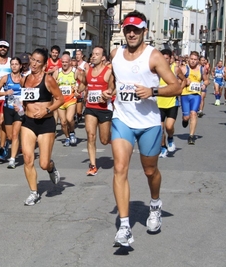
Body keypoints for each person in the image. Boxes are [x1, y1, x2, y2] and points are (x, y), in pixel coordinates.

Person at [102, 11, 181, 247]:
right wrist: (111, 91)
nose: (132, 33)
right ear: (123, 31)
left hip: (148, 124)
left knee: (150, 171)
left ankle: (155, 204)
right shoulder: (116, 54)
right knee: (119, 168)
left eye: (136, 29)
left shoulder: (154, 56)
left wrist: (153, 91)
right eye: (128, 29)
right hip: (122, 120)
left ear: (144, 31)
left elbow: (176, 86)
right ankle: (124, 227)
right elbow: (115, 80)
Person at [20, 48, 64, 206]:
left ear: (44, 64)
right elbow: (24, 100)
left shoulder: (48, 80)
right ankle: (33, 192)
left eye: (38, 61)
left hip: (46, 123)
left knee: (43, 163)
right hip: (28, 123)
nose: (34, 64)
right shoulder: (24, 79)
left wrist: (47, 110)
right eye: (33, 60)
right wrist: (20, 107)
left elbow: (60, 99)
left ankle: (51, 167)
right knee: (27, 158)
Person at [81, 46, 112, 176]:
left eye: (97, 54)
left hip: (104, 108)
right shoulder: (87, 71)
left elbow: (113, 87)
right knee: (90, 135)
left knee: (104, 140)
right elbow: (83, 84)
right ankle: (93, 165)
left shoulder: (109, 71)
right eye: (92, 54)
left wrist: (108, 92)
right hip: (91, 107)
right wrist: (78, 89)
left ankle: (114, 138)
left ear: (103, 57)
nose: (93, 56)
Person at [0, 57, 24, 169]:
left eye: (16, 64)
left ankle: (12, 159)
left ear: (20, 66)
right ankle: (7, 145)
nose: (14, 66)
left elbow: (30, 93)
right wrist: (5, 92)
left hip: (19, 109)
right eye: (12, 64)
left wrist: (23, 102)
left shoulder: (25, 79)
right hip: (8, 108)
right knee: (10, 136)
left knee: (16, 134)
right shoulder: (5, 78)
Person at [157, 49, 186, 158]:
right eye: (162, 58)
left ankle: (170, 137)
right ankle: (163, 147)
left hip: (172, 103)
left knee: (169, 127)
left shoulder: (175, 69)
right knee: (160, 129)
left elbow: (184, 80)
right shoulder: (156, 71)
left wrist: (179, 90)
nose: (164, 61)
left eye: (167, 59)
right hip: (159, 103)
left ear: (170, 59)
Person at [52, 54, 81, 146]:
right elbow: (50, 85)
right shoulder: (57, 72)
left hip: (71, 99)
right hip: (60, 101)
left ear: (70, 62)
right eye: (63, 62)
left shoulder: (75, 72)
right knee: (63, 122)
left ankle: (72, 132)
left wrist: (78, 90)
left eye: (66, 62)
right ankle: (67, 137)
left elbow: (83, 82)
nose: (64, 64)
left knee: (69, 118)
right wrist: (55, 84)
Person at [181, 51, 209, 145]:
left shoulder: (201, 69)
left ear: (198, 61)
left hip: (196, 95)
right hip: (185, 95)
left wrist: (204, 85)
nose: (193, 61)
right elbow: (176, 81)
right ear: (189, 59)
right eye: (191, 59)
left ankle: (191, 136)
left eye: (195, 60)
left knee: (193, 114)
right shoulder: (184, 69)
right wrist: (185, 81)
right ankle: (184, 120)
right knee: (186, 117)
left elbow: (206, 80)